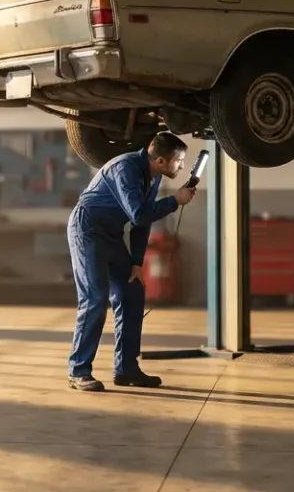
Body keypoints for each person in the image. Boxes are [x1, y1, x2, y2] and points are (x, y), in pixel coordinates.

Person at [66, 132, 198, 392]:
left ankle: (126, 369)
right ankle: (79, 371)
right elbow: (138, 214)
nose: (181, 166)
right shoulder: (124, 168)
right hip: (87, 230)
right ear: (161, 160)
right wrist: (175, 201)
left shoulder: (153, 176)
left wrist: (137, 262)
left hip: (112, 234)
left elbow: (143, 222)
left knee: (132, 290)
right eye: (179, 161)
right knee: (95, 297)